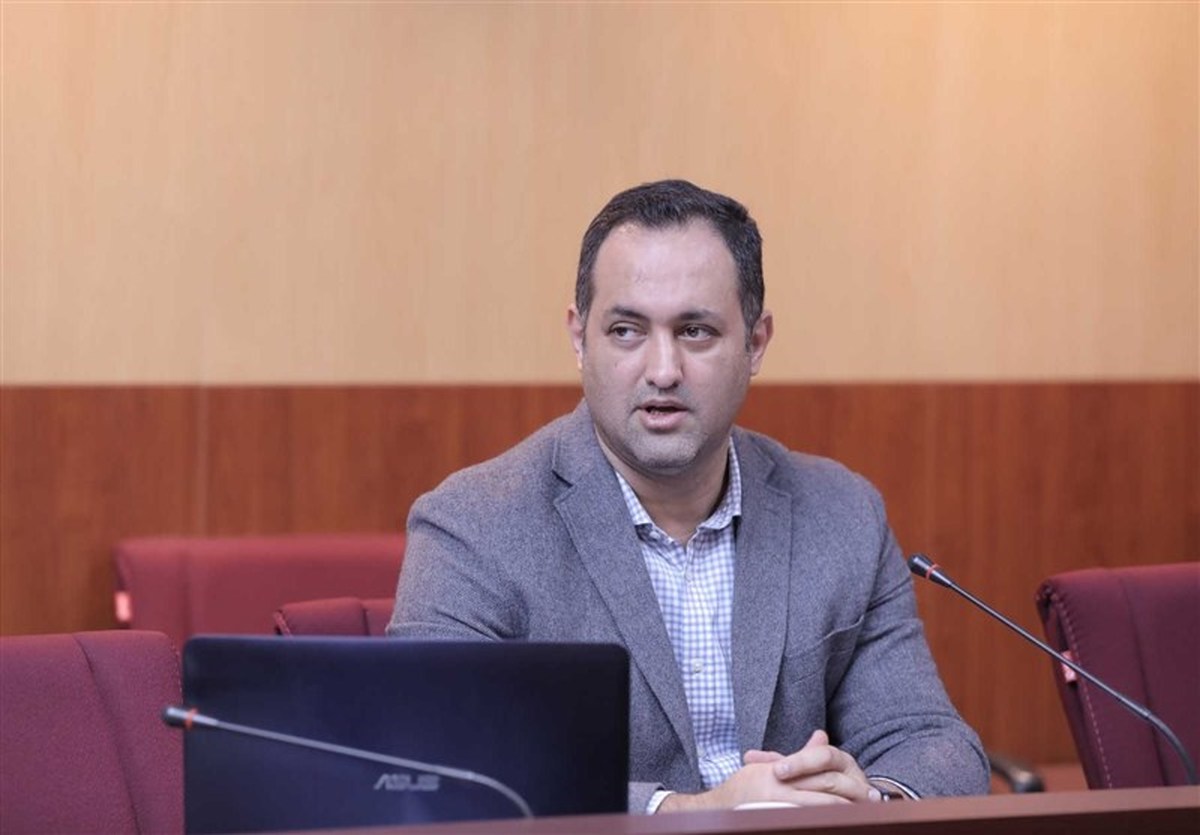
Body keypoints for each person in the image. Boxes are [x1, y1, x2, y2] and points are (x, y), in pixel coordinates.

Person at [387, 179, 990, 813]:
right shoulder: (474, 526)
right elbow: (434, 759)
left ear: (756, 343)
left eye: (696, 331)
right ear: (579, 338)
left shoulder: (842, 514)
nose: (663, 370)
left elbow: (932, 742)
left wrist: (866, 798)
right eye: (626, 331)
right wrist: (689, 812)